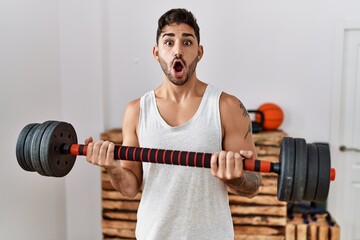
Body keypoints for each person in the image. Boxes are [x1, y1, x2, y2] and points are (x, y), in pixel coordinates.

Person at [85, 8, 262, 240]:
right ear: (156, 52)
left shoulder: (226, 107)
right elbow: (130, 187)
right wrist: (112, 168)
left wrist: (235, 177)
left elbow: (254, 184)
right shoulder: (137, 111)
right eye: (169, 42)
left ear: (199, 52)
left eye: (187, 42)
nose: (177, 50)